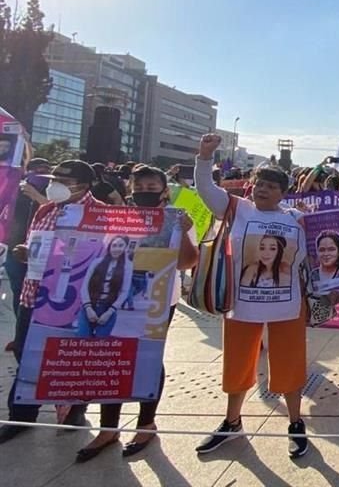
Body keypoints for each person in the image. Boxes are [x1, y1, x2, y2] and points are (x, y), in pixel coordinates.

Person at [193, 134, 327, 460]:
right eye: (259, 183)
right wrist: (205, 156)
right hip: (242, 306)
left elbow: (322, 252)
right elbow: (205, 189)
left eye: (270, 186)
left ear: (283, 193)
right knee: (237, 365)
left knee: (290, 366)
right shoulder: (236, 208)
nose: (262, 189)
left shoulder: (296, 218)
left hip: (288, 306)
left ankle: (296, 424)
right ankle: (231, 422)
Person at [77, 164, 199, 461]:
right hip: (113, 299)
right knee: (111, 358)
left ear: (164, 190)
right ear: (130, 190)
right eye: (140, 188)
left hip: (157, 300)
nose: (146, 192)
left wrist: (182, 234)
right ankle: (109, 428)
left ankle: (146, 423)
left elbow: (188, 262)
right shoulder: (119, 218)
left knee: (149, 359)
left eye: (151, 187)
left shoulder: (179, 219)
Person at [0, 160, 100, 444]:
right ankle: (21, 414)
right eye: (54, 179)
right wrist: (26, 251)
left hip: (73, 300)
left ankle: (73, 412)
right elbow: (36, 243)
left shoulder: (102, 214)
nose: (56, 186)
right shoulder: (46, 209)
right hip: (34, 295)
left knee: (73, 359)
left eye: (64, 182)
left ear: (84, 185)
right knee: (25, 352)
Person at [4, 158, 51, 350]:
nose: (41, 175)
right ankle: (20, 336)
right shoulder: (14, 188)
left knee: (39, 294)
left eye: (45, 171)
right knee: (19, 292)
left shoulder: (52, 191)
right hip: (15, 247)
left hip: (43, 250)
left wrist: (36, 196)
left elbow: (60, 212)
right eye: (37, 171)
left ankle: (36, 336)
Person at [76, 235, 133, 337]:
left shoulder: (127, 266)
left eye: (120, 245)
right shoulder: (97, 262)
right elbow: (85, 286)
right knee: (82, 340)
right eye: (114, 245)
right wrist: (88, 308)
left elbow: (124, 292)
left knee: (100, 343)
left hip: (107, 309)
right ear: (109, 247)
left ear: (125, 248)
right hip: (89, 306)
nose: (117, 249)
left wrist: (109, 313)